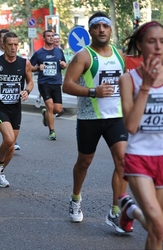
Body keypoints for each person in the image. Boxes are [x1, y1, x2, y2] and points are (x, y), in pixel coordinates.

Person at [62, 12, 128, 233]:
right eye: (97, 26)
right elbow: (67, 85)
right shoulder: (83, 56)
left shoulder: (120, 55)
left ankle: (116, 212)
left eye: (105, 26)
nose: (101, 29)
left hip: (116, 118)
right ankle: (75, 198)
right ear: (90, 31)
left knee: (123, 161)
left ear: (110, 30)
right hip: (90, 118)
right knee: (84, 162)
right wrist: (93, 91)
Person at [118, 21, 163, 250]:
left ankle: (130, 210)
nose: (158, 47)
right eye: (151, 41)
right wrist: (146, 87)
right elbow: (131, 126)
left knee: (158, 230)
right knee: (157, 223)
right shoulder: (129, 79)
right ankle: (132, 209)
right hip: (139, 158)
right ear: (139, 45)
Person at [0, 32, 34, 188]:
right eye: (10, 44)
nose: (13, 47)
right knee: (10, 140)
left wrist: (27, 91)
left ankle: (0, 171)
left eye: (16, 44)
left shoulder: (25, 63)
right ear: (3, 45)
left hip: (16, 109)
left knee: (10, 147)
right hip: (0, 107)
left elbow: (30, 82)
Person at [30, 30, 67, 141]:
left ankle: (46, 114)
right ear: (44, 38)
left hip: (56, 82)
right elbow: (29, 67)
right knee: (50, 106)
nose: (51, 38)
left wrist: (64, 65)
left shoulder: (59, 52)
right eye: (48, 36)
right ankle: (52, 131)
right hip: (44, 83)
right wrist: (37, 68)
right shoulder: (38, 53)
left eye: (52, 36)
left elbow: (64, 65)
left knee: (58, 109)